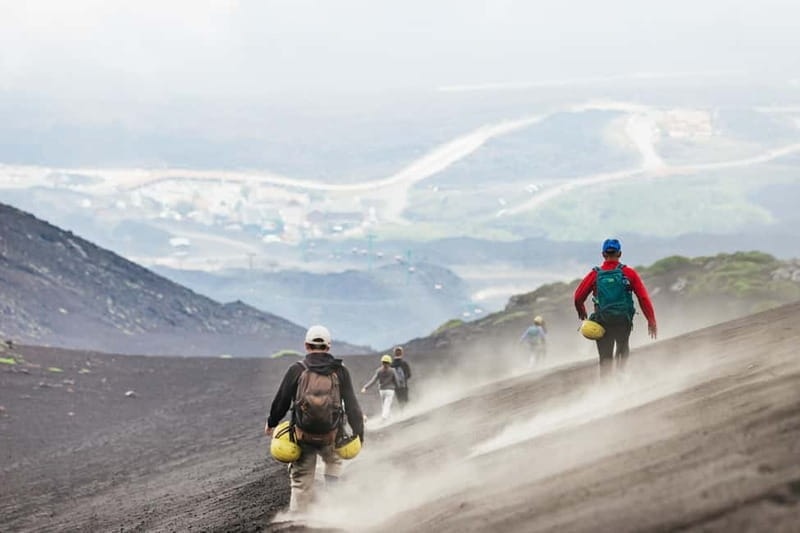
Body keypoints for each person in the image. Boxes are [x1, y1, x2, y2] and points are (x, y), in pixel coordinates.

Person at [264, 325, 364, 513]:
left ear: (306, 345)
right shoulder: (340, 371)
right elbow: (352, 406)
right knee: (334, 464)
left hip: (303, 436)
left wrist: (271, 423)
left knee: (301, 481)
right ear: (328, 347)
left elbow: (281, 401)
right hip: (332, 435)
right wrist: (359, 434)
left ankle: (297, 521)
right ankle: (334, 510)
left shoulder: (296, 370)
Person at [574, 238, 657, 375]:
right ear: (620, 254)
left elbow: (578, 297)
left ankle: (607, 389)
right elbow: (643, 298)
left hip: (602, 321)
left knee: (605, 358)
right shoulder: (628, 273)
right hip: (623, 321)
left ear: (603, 254)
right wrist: (651, 320)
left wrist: (581, 311)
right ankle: (621, 377)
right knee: (623, 346)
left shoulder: (595, 274)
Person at [361, 354, 400, 421]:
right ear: (390, 363)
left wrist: (365, 387)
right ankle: (384, 418)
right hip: (390, 391)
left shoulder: (379, 371)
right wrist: (398, 387)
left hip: (382, 391)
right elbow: (396, 380)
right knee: (387, 404)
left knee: (385, 405)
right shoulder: (392, 370)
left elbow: (373, 380)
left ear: (382, 362)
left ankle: (388, 417)